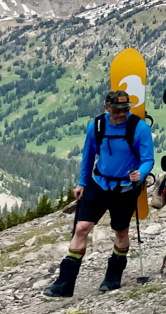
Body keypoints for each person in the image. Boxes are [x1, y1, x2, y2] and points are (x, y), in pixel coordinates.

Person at [44, 89, 155, 297]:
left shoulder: (139, 128)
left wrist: (140, 174)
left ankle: (113, 277)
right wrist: (81, 183)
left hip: (124, 188)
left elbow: (148, 158)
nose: (121, 114)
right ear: (107, 108)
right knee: (81, 228)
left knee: (120, 231)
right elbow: (88, 156)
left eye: (125, 110)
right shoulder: (96, 126)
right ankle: (64, 284)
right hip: (99, 183)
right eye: (117, 110)